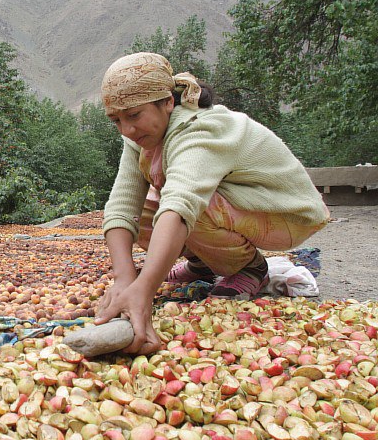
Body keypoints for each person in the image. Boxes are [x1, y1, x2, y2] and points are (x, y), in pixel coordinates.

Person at [94, 52, 329, 354]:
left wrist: (145, 288)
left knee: (188, 207)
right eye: (117, 120)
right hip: (233, 205)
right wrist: (125, 278)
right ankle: (204, 262)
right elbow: (122, 205)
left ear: (167, 102)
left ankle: (251, 268)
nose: (127, 129)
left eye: (135, 116)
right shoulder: (139, 137)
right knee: (145, 211)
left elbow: (180, 206)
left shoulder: (200, 128)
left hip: (284, 212)